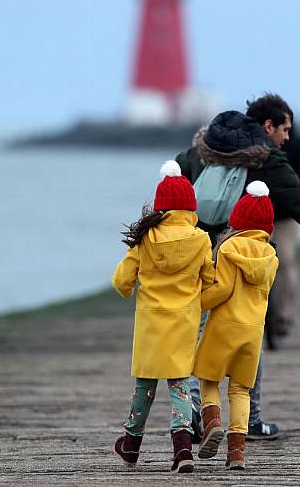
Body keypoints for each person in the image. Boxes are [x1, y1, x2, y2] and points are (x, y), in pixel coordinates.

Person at [176, 95, 300, 442]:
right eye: (285, 129)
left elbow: (177, 184)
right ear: (268, 126)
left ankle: (195, 417)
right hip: (242, 259)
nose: (287, 138)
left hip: (200, 256)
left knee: (198, 336)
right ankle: (250, 420)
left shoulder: (205, 148)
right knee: (249, 337)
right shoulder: (266, 160)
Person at [111, 160, 215, 473]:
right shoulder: (200, 240)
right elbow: (210, 282)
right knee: (180, 387)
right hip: (183, 323)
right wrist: (196, 299)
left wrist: (135, 283)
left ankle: (131, 446)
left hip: (150, 326)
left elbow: (121, 282)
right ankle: (183, 450)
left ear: (161, 208)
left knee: (145, 387)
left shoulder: (146, 240)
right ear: (190, 208)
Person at [193, 181, 279, 470]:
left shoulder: (229, 247)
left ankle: (213, 422)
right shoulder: (271, 257)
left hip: (224, 328)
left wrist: (198, 301)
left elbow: (222, 290)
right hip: (253, 333)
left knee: (208, 380)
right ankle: (237, 454)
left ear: (238, 220)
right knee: (241, 390)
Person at [266, 122, 300, 345]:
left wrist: (292, 197)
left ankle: (284, 314)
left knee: (285, 261)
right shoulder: (260, 146)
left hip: (286, 216)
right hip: (258, 216)